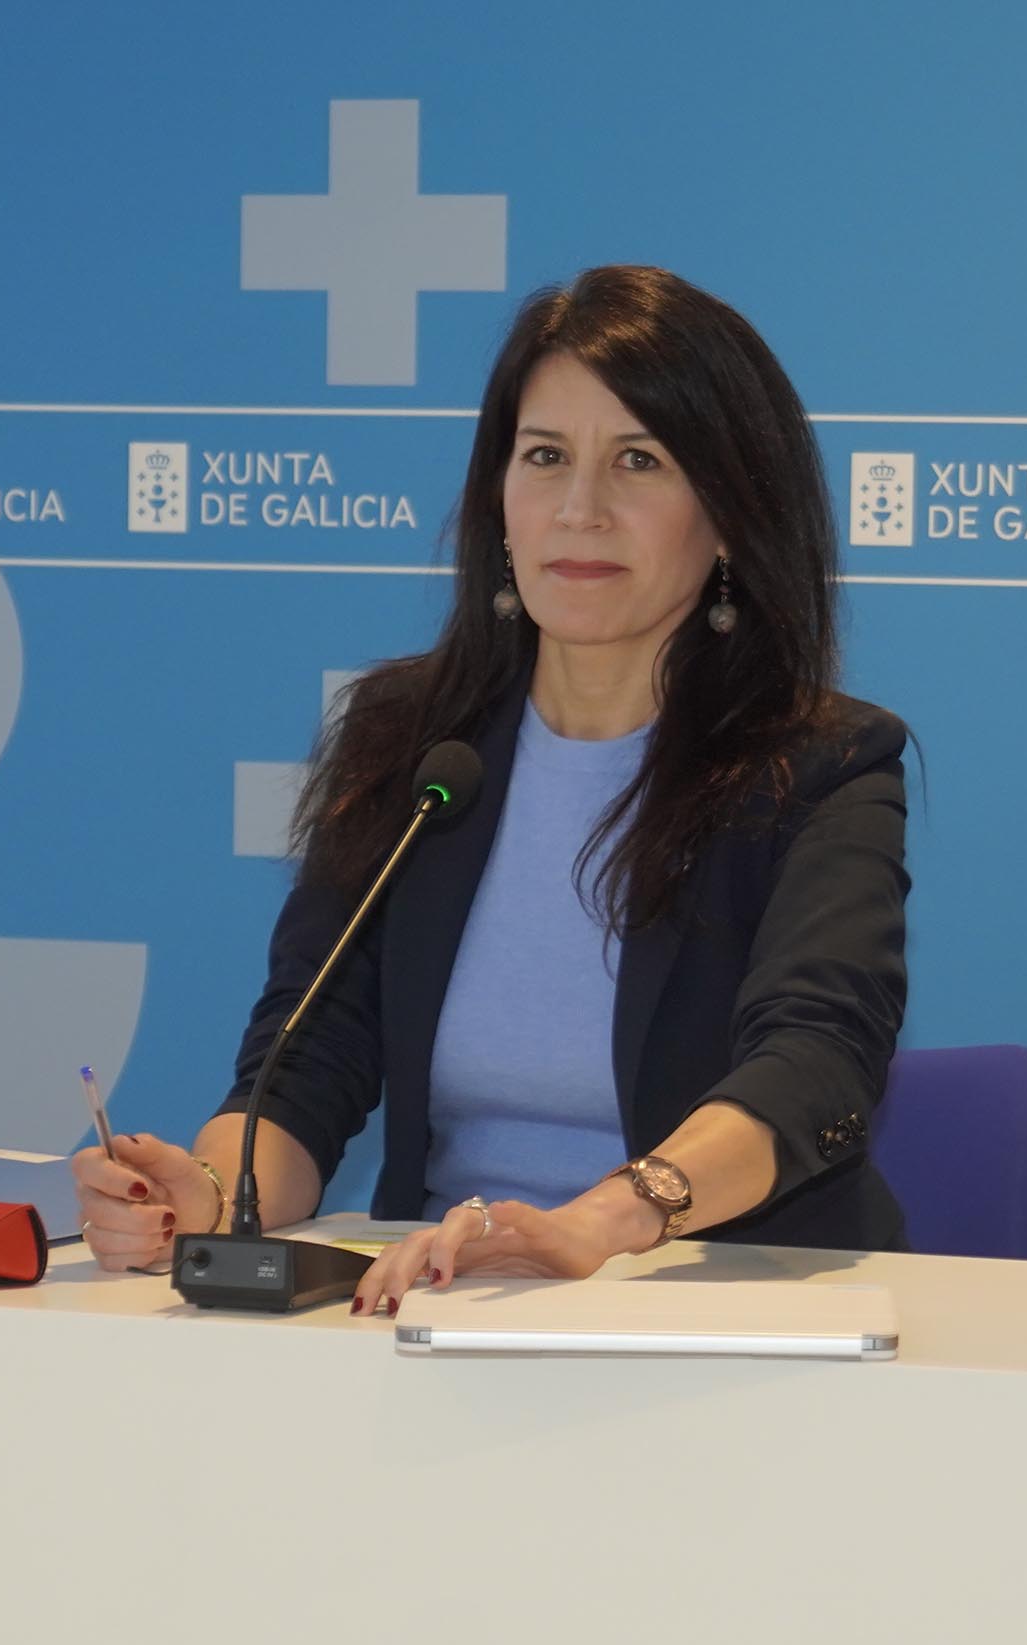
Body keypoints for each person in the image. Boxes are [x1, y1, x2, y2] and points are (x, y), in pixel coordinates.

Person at [73, 265, 912, 1313]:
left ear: (731, 512)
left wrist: (600, 1221)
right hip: (436, 1301)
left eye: (640, 460)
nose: (580, 509)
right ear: (498, 499)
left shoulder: (819, 765)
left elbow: (815, 1060)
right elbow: (309, 1056)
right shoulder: (411, 743)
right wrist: (204, 1193)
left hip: (721, 1310)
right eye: (545, 456)